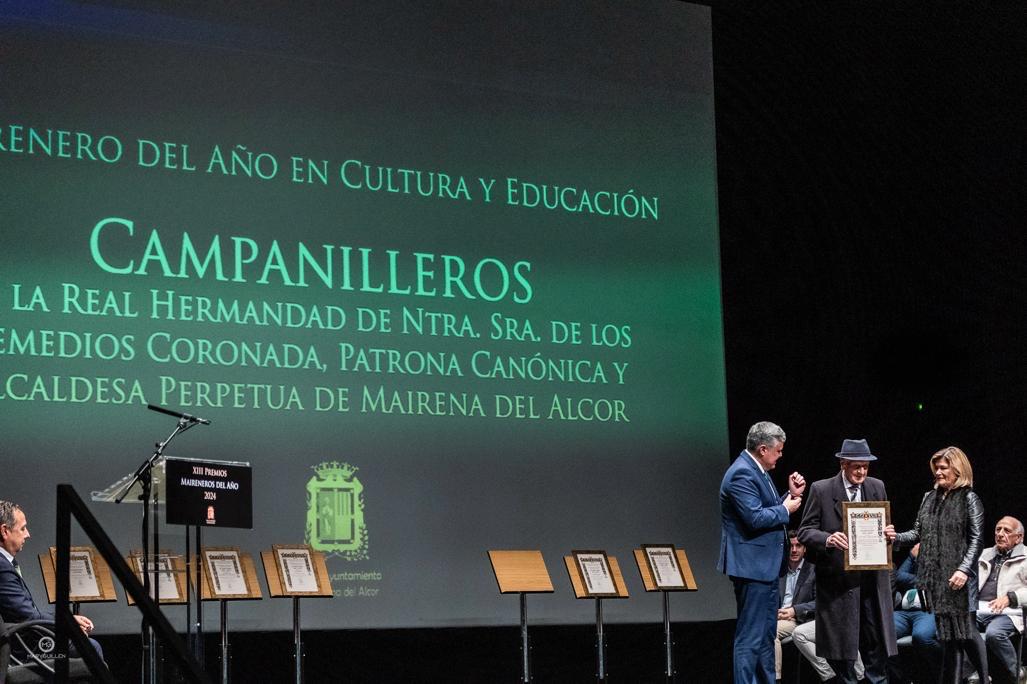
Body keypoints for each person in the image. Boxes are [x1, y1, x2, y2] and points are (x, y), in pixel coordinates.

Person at [797, 438, 897, 684]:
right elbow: (805, 531)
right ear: (843, 464)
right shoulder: (822, 489)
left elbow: (883, 526)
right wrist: (828, 538)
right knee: (843, 650)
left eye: (865, 466)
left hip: (871, 582)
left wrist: (889, 533)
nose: (861, 472)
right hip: (839, 584)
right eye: (856, 466)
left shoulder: (876, 486)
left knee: (875, 644)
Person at [718, 421, 806, 684]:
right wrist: (786, 509)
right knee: (750, 637)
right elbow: (754, 518)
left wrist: (788, 496)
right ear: (763, 449)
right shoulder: (741, 473)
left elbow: (764, 508)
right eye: (778, 451)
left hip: (765, 569)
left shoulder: (758, 470)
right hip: (752, 569)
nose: (780, 456)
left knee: (767, 637)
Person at [894, 446, 986, 684]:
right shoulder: (929, 498)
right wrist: (895, 538)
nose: (938, 472)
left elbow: (976, 539)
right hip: (936, 579)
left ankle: (985, 679)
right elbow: (918, 533)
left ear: (958, 469)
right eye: (936, 468)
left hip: (960, 578)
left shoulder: (969, 499)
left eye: (943, 468)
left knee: (967, 632)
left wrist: (964, 569)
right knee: (949, 637)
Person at [0, 500, 103, 660]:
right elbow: (27, 617)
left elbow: (26, 614)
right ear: (5, 531)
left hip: (27, 639)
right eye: (23, 528)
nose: (28, 534)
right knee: (91, 647)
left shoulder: (5, 563)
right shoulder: (2, 567)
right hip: (26, 649)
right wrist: (68, 623)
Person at [975, 516, 1027, 684]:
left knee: (994, 634)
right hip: (979, 609)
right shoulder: (983, 554)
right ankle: (975, 674)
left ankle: (1018, 672)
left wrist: (1010, 598)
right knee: (956, 628)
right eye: (998, 529)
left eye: (1007, 530)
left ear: (1018, 538)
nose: (1000, 534)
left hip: (1010, 613)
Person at [890, 544, 939, 683]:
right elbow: (898, 576)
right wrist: (911, 556)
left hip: (928, 610)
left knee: (921, 636)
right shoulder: (916, 556)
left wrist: (917, 580)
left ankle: (944, 670)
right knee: (882, 635)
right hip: (904, 611)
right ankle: (902, 678)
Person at [775, 531, 816, 681]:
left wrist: (794, 611)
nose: (794, 550)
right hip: (778, 617)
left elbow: (819, 603)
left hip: (800, 620)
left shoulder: (813, 571)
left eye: (798, 546)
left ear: (805, 549)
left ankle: (776, 679)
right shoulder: (779, 571)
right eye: (791, 546)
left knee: (771, 631)